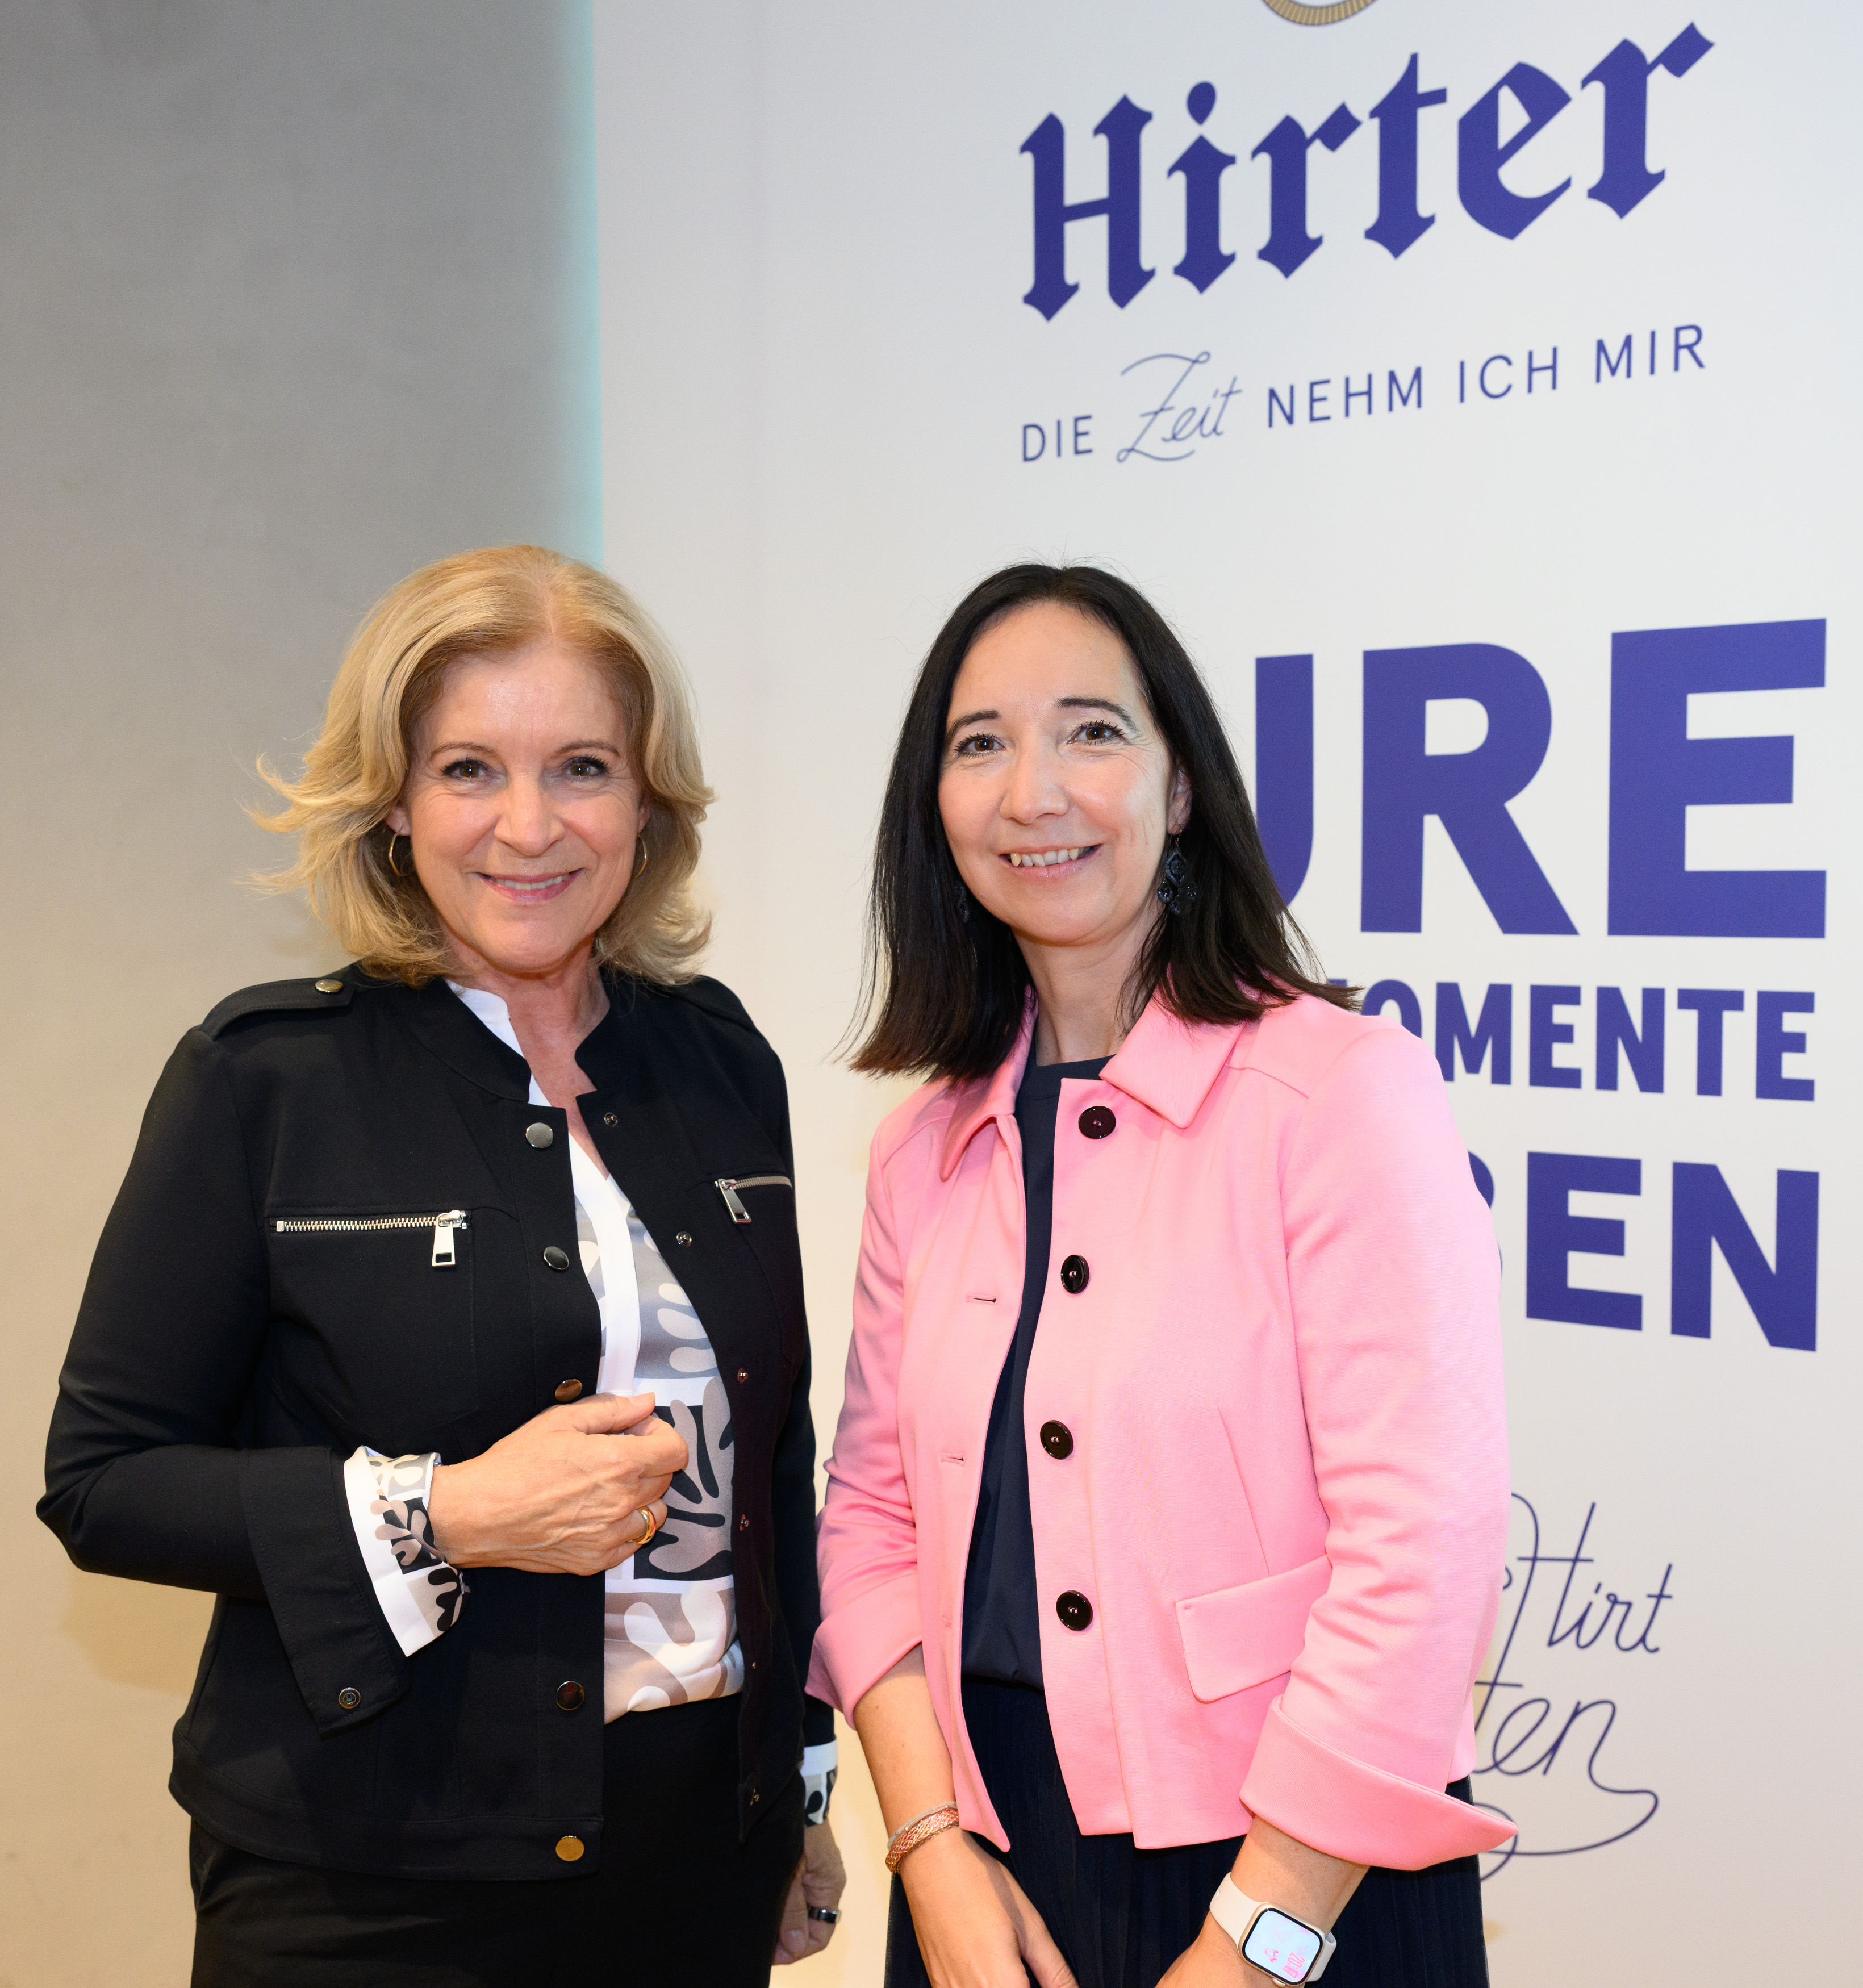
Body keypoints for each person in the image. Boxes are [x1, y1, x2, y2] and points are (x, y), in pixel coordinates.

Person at [40, 545, 845, 1986]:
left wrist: (796, 1780)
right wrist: (450, 1513)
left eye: (582, 767)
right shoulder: (263, 1078)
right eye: (469, 769)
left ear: (647, 799)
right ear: (393, 801)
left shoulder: (722, 1064)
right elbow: (105, 1481)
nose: (528, 826)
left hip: (692, 1871)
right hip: (365, 1887)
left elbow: (771, 1462)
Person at [810, 563, 1514, 1988]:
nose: (1033, 793)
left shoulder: (1336, 1093)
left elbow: (1419, 1551)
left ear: (1179, 786)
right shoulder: (918, 1149)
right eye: (980, 743)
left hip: (1298, 1868)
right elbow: (871, 1523)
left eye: (1091, 731)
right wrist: (928, 1848)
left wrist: (1257, 1939)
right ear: (933, 806)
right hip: (985, 1864)